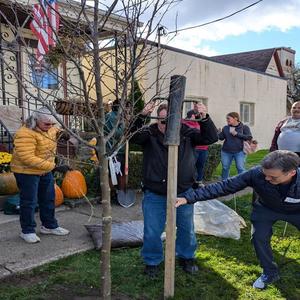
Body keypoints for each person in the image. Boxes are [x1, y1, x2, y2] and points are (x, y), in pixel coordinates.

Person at [176, 150, 300, 289]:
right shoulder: (256, 174)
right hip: (266, 208)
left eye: (273, 177)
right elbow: (225, 186)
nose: (267, 179)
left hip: (297, 210)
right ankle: (269, 272)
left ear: (291, 173)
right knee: (259, 237)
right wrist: (189, 198)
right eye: (265, 175)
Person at [130, 102, 218, 278]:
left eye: (171, 122)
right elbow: (131, 136)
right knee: (152, 230)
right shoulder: (150, 133)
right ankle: (152, 261)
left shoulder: (187, 132)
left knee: (186, 228)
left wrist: (204, 118)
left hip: (183, 192)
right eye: (163, 122)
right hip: (155, 192)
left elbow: (210, 138)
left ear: (178, 121)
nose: (167, 126)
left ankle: (186, 257)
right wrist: (141, 116)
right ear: (157, 120)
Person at [10, 107, 70, 244]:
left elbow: (55, 130)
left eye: (52, 124)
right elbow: (27, 157)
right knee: (29, 202)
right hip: (26, 171)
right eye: (47, 124)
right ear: (36, 120)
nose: (50, 127)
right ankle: (27, 231)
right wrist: (53, 166)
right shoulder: (25, 133)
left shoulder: (50, 128)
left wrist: (62, 133)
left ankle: (49, 226)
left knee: (48, 198)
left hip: (44, 169)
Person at [218, 112, 252, 180]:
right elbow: (221, 138)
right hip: (226, 151)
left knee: (240, 168)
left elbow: (249, 137)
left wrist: (237, 134)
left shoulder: (244, 127)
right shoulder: (226, 128)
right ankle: (224, 182)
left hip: (240, 152)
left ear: (235, 118)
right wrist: (218, 133)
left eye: (228, 118)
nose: (227, 120)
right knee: (225, 167)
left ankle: (242, 182)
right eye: (226, 119)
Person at [183, 102, 209, 185]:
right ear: (191, 116)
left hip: (203, 149)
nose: (197, 116)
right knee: (190, 166)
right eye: (195, 115)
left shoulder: (201, 123)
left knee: (200, 166)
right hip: (194, 148)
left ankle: (199, 181)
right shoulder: (185, 124)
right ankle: (190, 182)